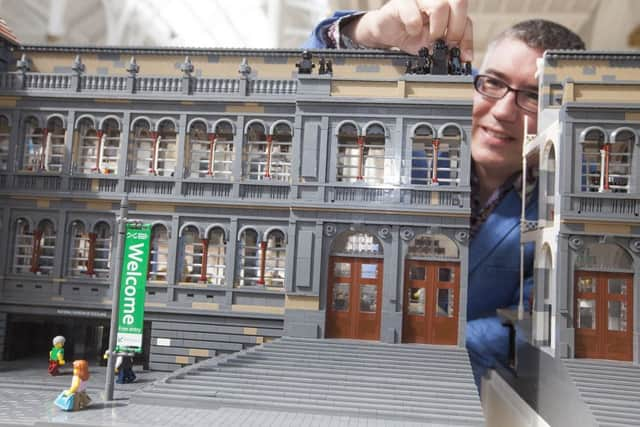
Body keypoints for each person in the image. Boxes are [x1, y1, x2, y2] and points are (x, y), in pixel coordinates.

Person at [304, 0, 585, 386]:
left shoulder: (563, 210)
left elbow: (534, 328)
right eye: (493, 82)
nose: (503, 110)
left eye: (534, 96)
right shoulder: (413, 143)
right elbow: (312, 88)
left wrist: (406, 349)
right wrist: (364, 32)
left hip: (446, 387)